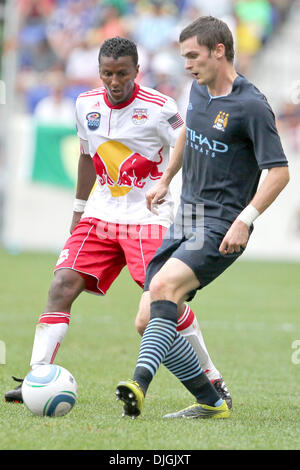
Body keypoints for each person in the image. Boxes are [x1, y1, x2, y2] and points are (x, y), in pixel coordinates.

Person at [5, 37, 230, 405]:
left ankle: (212, 377)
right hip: (100, 215)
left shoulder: (160, 108)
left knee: (165, 298)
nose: (114, 81)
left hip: (148, 218)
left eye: (122, 73)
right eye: (107, 73)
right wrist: (78, 211)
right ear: (99, 72)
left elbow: (188, 144)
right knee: (61, 284)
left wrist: (177, 192)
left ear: (136, 71)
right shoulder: (85, 104)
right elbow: (85, 155)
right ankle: (36, 377)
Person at [115, 16, 289, 420]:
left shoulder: (251, 106)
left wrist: (245, 219)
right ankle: (211, 400)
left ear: (219, 51)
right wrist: (165, 179)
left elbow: (279, 171)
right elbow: (186, 134)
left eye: (193, 56)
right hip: (187, 213)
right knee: (146, 320)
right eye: (184, 57)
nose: (188, 64)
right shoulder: (197, 90)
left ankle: (138, 384)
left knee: (162, 286)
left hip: (221, 222)